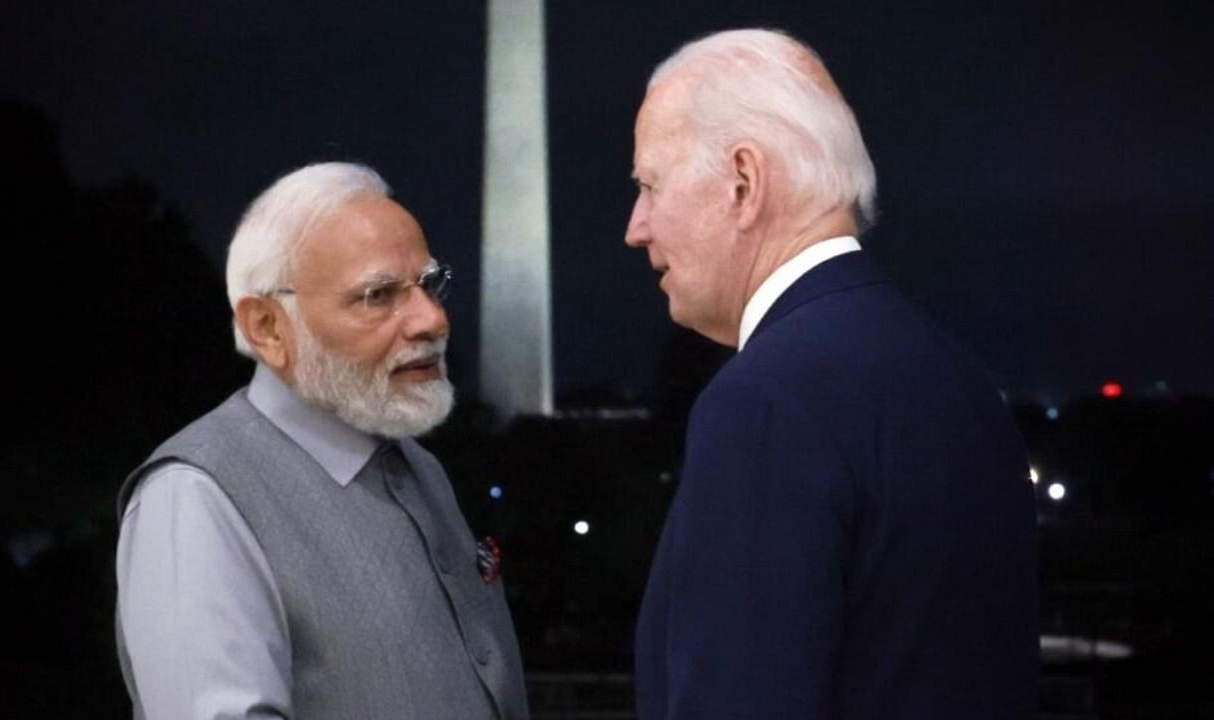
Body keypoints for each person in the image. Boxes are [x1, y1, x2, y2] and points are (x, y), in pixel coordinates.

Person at [624, 29, 1038, 719]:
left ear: (743, 183)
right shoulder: (960, 381)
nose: (636, 227)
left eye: (650, 185)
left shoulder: (765, 401)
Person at [115, 162, 529, 720]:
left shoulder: (421, 468)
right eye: (378, 295)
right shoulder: (193, 498)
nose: (432, 319)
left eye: (430, 285)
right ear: (267, 327)